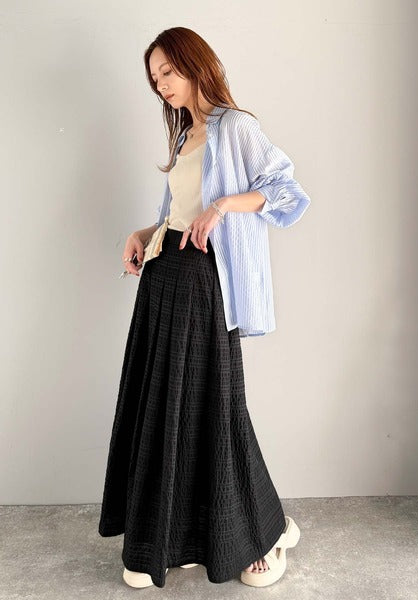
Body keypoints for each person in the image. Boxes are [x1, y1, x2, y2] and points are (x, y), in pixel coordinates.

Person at [98, 26, 311, 590]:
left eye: (168, 71)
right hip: (164, 278)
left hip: (203, 281)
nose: (161, 85)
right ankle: (172, 541)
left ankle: (263, 533)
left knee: (217, 405)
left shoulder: (235, 127)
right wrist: (142, 234)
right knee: (165, 408)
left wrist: (224, 205)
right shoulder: (186, 136)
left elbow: (287, 193)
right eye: (154, 78)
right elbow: (176, 214)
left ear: (195, 64)